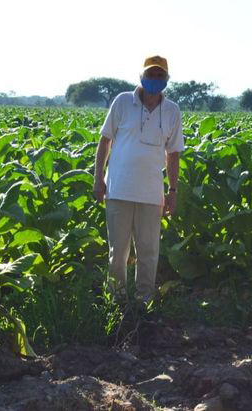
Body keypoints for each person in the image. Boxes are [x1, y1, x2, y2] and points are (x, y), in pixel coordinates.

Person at [93, 55, 184, 303]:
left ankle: (144, 301)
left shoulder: (172, 111)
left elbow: (173, 154)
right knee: (117, 252)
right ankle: (116, 302)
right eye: (150, 74)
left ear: (166, 79)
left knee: (149, 252)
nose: (154, 79)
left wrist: (172, 190)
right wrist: (98, 178)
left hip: (151, 193)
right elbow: (105, 141)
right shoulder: (123, 102)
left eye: (159, 75)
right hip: (118, 189)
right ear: (141, 76)